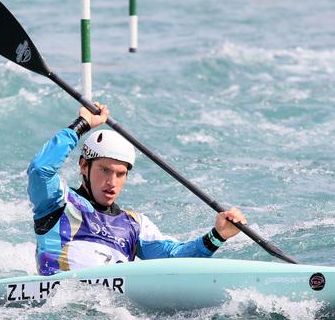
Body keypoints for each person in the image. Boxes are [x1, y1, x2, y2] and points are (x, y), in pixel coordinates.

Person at [27, 102, 248, 275]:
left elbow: (175, 260)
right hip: (59, 303)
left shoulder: (134, 224)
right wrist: (81, 124)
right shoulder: (58, 202)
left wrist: (217, 236)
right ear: (84, 166)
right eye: (104, 170)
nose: (112, 182)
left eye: (120, 174)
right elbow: (40, 169)